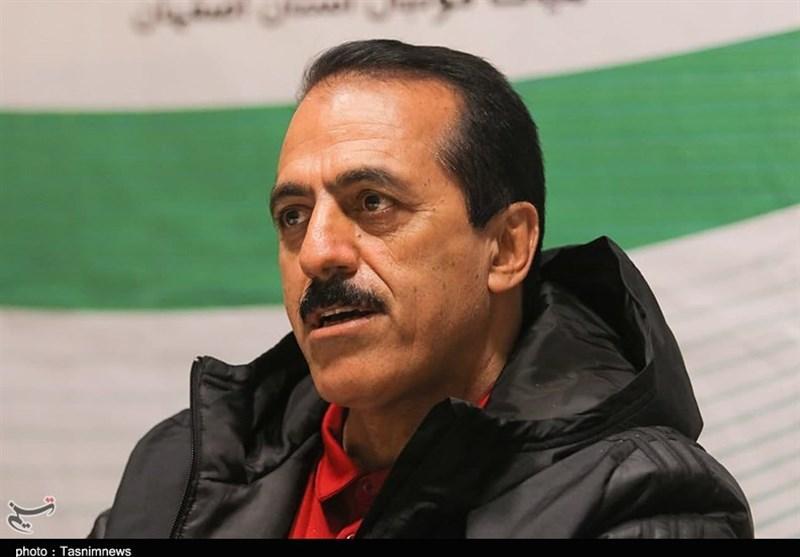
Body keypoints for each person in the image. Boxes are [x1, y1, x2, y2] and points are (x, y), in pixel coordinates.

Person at [89, 40, 753, 539]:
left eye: (372, 202)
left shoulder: (643, 499)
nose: (317, 252)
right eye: (293, 215)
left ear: (507, 247)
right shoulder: (184, 467)